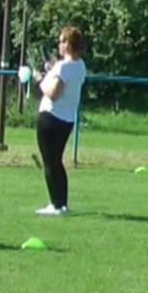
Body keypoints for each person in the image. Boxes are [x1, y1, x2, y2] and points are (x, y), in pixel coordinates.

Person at [31, 26, 87, 216]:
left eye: (62, 41)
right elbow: (64, 75)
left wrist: (39, 80)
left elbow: (53, 93)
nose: (59, 45)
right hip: (67, 120)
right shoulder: (80, 65)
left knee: (50, 162)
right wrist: (51, 70)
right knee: (57, 161)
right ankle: (62, 204)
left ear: (69, 44)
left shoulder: (63, 67)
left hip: (50, 118)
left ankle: (55, 205)